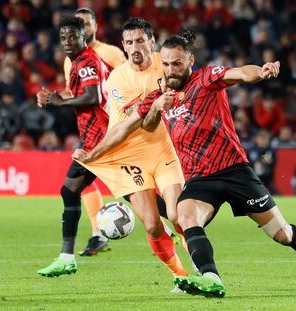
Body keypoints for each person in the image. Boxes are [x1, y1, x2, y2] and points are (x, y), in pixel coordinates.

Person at [75, 30, 296, 298]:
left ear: (190, 62)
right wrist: (93, 153)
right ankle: (210, 277)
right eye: (167, 64)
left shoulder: (206, 78)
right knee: (184, 216)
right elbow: (128, 128)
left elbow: (241, 73)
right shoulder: (158, 95)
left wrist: (261, 72)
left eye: (177, 64)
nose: (171, 69)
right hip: (199, 179)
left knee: (282, 233)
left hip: (235, 171)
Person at [38, 17, 189, 286]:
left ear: (151, 42)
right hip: (123, 149)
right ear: (124, 45)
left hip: (151, 147)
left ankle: (205, 272)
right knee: (152, 224)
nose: (134, 48)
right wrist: (57, 99)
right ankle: (180, 275)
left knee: (180, 217)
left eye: (140, 41)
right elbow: (135, 116)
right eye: (129, 42)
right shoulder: (116, 76)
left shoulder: (159, 64)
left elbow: (185, 80)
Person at [36, 16, 111, 277]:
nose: (67, 42)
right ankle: (67, 257)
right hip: (93, 141)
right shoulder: (77, 62)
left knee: (144, 201)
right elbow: (86, 96)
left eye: (72, 36)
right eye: (63, 37)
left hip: (105, 142)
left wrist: (58, 103)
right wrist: (56, 99)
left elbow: (93, 97)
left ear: (83, 37)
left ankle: (180, 228)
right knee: (69, 191)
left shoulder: (88, 61)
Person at [62, 8, 126, 257]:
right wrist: (58, 98)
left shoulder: (110, 53)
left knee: (133, 188)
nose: (83, 29)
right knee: (76, 184)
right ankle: (97, 233)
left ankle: (167, 227)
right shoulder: (71, 59)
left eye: (86, 24)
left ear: (95, 26)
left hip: (114, 128)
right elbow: (76, 92)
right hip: (90, 127)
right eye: (79, 24)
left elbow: (127, 82)